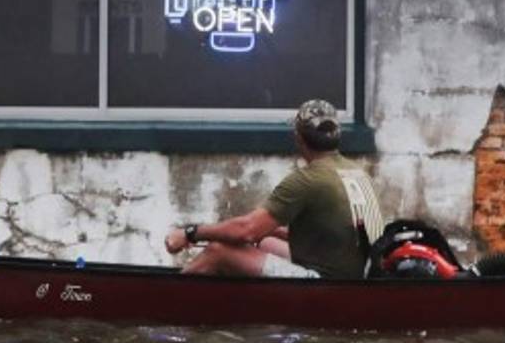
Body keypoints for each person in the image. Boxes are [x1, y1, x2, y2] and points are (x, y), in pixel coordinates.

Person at [164, 99, 384, 279]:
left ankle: (166, 305)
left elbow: (246, 230)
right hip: (357, 273)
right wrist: (270, 229)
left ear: (298, 138)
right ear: (337, 136)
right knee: (266, 241)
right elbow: (338, 235)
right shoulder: (358, 172)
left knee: (218, 251)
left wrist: (190, 233)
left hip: (325, 282)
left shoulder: (306, 180)